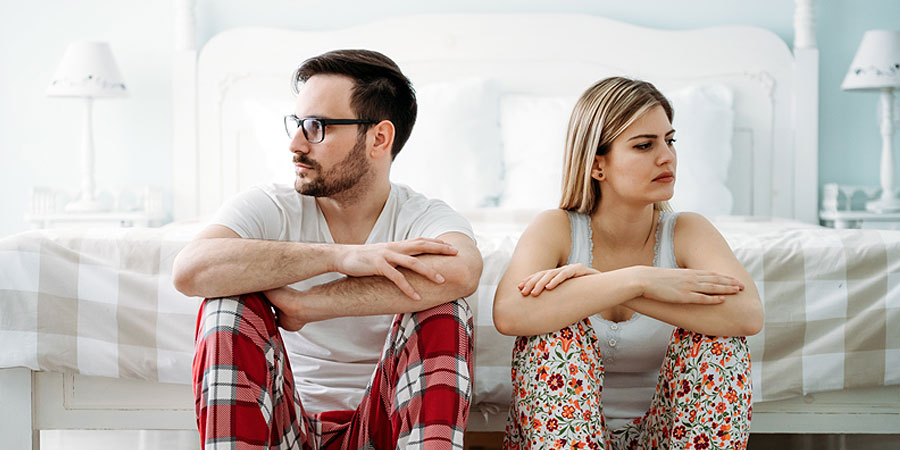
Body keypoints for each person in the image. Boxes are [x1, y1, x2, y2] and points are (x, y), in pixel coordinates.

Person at [172, 49, 483, 450]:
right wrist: (340, 257)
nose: (295, 144)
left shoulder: (422, 216)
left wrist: (310, 305)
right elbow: (190, 270)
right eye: (297, 124)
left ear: (379, 138)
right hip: (282, 425)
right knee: (224, 308)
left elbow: (463, 272)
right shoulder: (270, 205)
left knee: (447, 309)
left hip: (382, 426)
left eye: (317, 126)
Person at [492, 77, 763, 450]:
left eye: (670, 140)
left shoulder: (688, 231)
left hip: (666, 435)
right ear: (597, 165)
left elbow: (747, 316)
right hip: (565, 439)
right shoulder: (556, 228)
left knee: (719, 345)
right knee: (552, 336)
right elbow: (509, 315)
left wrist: (623, 288)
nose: (666, 157)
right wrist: (637, 279)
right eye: (644, 145)